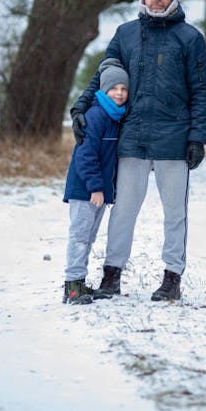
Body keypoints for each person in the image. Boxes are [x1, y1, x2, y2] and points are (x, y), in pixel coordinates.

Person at [70, 0, 206, 302]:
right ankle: (111, 275)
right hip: (131, 138)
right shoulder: (126, 34)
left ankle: (172, 278)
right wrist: (80, 106)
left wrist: (197, 137)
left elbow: (201, 90)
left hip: (174, 140)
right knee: (123, 211)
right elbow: (103, 74)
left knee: (175, 212)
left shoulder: (190, 38)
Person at [62, 58, 129, 305]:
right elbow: (85, 155)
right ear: (103, 89)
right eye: (114, 89)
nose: (120, 94)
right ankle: (71, 286)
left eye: (124, 89)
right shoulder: (96, 115)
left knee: (88, 237)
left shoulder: (115, 117)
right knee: (79, 236)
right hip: (86, 190)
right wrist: (96, 188)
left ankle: (79, 282)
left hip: (97, 191)